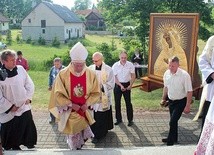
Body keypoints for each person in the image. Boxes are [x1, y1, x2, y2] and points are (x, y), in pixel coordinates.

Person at [48, 42, 100, 150]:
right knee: (73, 136)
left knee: (83, 136)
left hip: (84, 110)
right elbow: (57, 94)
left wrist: (88, 103)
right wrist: (71, 104)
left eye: (82, 65)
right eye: (77, 65)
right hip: (70, 111)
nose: (79, 67)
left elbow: (96, 92)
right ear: (72, 62)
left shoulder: (91, 73)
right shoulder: (62, 74)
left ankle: (79, 147)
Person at [0, 49, 37, 150]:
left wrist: (29, 98)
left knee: (27, 128)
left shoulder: (20, 69)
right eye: (11, 60)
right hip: (9, 110)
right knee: (10, 136)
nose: (14, 61)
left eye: (14, 59)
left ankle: (29, 144)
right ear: (4, 61)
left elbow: (29, 84)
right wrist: (10, 107)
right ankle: (12, 146)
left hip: (23, 106)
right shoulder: (0, 75)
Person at [160, 56, 192, 146]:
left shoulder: (185, 75)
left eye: (173, 66)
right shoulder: (166, 73)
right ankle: (174, 138)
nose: (170, 68)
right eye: (169, 65)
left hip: (181, 101)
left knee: (172, 121)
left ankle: (170, 142)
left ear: (178, 65)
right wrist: (163, 98)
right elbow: (165, 87)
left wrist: (188, 105)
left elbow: (189, 91)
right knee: (173, 121)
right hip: (171, 101)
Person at [89, 52, 114, 143]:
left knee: (101, 115)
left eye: (96, 61)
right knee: (93, 115)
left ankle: (99, 135)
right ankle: (92, 132)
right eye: (93, 60)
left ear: (101, 59)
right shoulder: (90, 69)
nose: (94, 62)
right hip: (92, 97)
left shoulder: (108, 69)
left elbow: (111, 83)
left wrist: (101, 87)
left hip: (102, 96)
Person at [195, 36, 214, 155]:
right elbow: (202, 60)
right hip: (212, 90)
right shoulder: (212, 40)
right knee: (208, 119)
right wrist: (211, 73)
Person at [112, 51, 136, 127]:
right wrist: (120, 85)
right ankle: (118, 119)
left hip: (127, 84)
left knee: (128, 103)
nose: (123, 59)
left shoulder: (130, 65)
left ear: (127, 57)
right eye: (122, 58)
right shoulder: (115, 65)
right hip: (118, 85)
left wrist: (130, 85)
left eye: (125, 58)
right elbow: (114, 77)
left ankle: (130, 120)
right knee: (117, 103)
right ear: (119, 57)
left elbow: (133, 76)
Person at [48, 57, 65, 124]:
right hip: (54, 89)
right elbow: (50, 77)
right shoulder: (52, 69)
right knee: (53, 104)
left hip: (62, 90)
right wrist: (49, 85)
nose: (56, 66)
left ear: (61, 63)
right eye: (55, 64)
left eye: (58, 64)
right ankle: (52, 118)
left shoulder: (64, 69)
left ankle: (62, 118)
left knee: (62, 104)